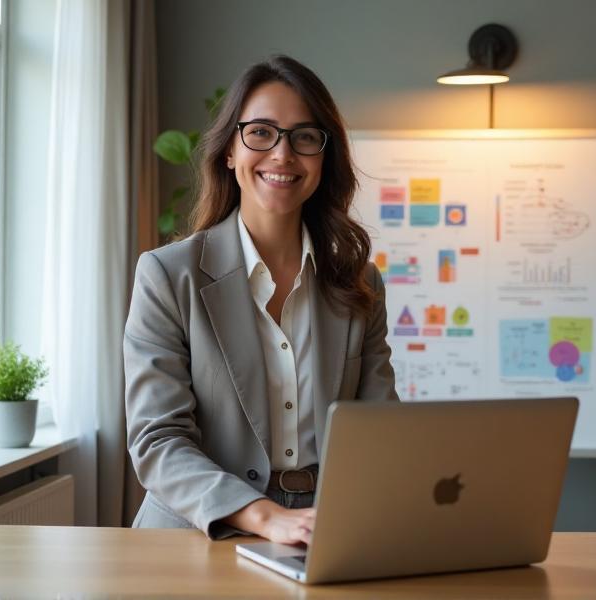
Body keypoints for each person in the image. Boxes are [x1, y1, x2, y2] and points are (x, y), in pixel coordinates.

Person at [124, 55, 398, 543]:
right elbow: (158, 441)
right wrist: (265, 516)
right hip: (194, 532)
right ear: (230, 149)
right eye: (261, 133)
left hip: (322, 531)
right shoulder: (167, 275)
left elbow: (380, 432)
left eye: (305, 137)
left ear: (323, 157)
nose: (282, 154)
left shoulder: (360, 284)